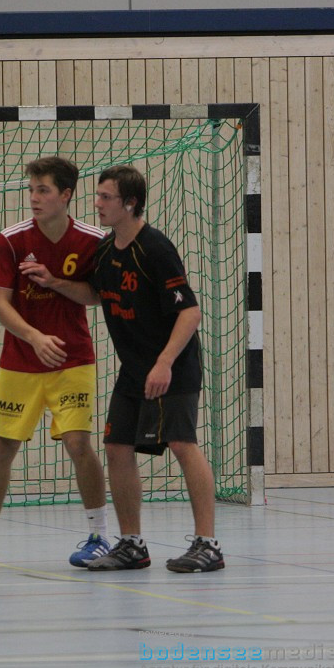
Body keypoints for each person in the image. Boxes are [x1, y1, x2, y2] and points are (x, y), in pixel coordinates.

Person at [22, 164, 224, 573]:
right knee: (116, 448)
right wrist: (55, 281)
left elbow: (190, 313)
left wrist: (164, 363)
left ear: (130, 203)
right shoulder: (104, 250)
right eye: (96, 196)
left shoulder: (156, 249)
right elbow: (94, 293)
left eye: (106, 198)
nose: (96, 204)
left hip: (172, 368)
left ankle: (209, 545)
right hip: (133, 370)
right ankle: (132, 544)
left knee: (183, 445)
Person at [0, 157, 110, 571]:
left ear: (66, 195)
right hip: (21, 362)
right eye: (31, 190)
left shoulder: (93, 240)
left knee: (79, 443)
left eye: (43, 190)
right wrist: (34, 337)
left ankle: (99, 535)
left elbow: (95, 296)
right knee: (3, 446)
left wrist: (55, 282)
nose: (34, 198)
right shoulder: (10, 239)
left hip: (72, 357)